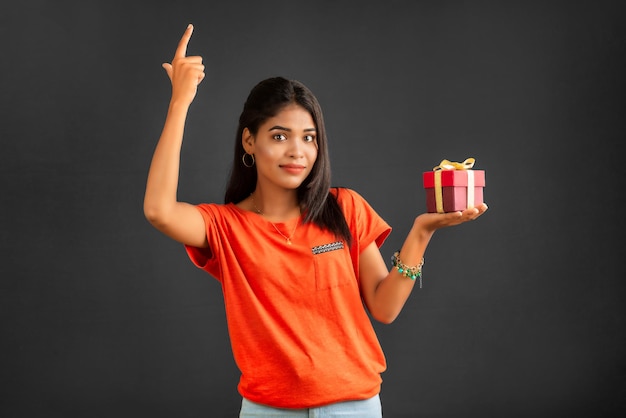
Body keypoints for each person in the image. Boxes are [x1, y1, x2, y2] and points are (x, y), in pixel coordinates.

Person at [144, 24, 488, 418]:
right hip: (268, 411)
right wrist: (180, 102)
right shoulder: (226, 226)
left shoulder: (344, 208)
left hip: (355, 408)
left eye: (308, 137)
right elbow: (158, 210)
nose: (297, 151)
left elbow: (384, 307)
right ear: (249, 142)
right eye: (279, 136)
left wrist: (422, 232)